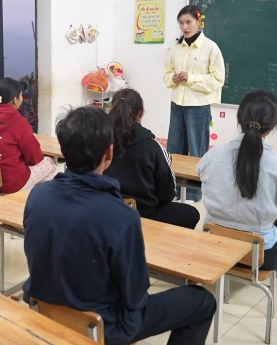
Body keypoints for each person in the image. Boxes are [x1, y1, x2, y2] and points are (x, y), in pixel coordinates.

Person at [23, 106, 216, 345]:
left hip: (46, 310)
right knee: (202, 302)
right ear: (109, 153)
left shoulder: (38, 195)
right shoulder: (121, 216)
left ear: (63, 149)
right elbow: (135, 296)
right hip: (105, 326)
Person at [197, 89, 277, 279]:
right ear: (273, 126)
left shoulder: (210, 157)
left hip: (213, 243)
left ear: (239, 119)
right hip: (260, 256)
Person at [104, 89, 199, 229]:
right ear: (141, 112)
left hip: (105, 207)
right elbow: (167, 194)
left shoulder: (100, 140)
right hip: (143, 212)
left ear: (111, 109)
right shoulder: (153, 147)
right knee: (191, 214)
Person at [162, 4, 225, 202]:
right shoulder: (175, 47)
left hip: (198, 106)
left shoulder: (210, 48)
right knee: (174, 148)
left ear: (199, 22)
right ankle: (173, 189)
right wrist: (173, 78)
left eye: (188, 22)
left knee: (197, 151)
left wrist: (190, 78)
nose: (184, 27)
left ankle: (193, 192)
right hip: (177, 104)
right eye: (181, 23)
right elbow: (166, 74)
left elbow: (217, 80)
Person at [0, 77, 57, 195]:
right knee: (51, 163)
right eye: (21, 96)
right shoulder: (18, 121)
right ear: (15, 100)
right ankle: (35, 201)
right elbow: (34, 158)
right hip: (10, 184)